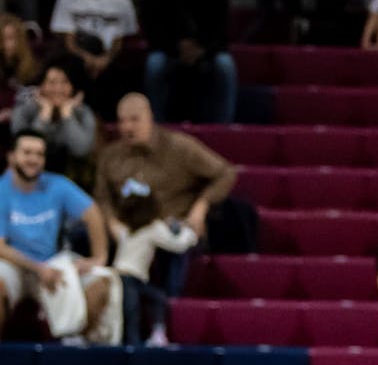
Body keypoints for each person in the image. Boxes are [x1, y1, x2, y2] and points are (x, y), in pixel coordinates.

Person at [95, 93, 237, 295]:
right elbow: (102, 196)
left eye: (134, 120)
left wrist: (201, 206)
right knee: (84, 235)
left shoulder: (180, 147)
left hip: (170, 226)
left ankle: (173, 304)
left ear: (150, 117)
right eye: (122, 121)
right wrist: (111, 222)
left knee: (177, 246)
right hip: (127, 229)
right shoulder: (110, 156)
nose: (127, 128)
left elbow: (225, 173)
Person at [0, 131, 110, 339]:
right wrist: (39, 269)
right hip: (13, 264)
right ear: (12, 156)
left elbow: (93, 213)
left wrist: (100, 257)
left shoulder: (57, 184)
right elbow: (1, 247)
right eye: (27, 152)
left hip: (52, 261)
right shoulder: (1, 190)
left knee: (100, 282)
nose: (33, 159)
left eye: (39, 154)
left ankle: (74, 348)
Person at [141, 0, 238, 124]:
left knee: (225, 64)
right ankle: (155, 123)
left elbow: (220, 30)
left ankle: (224, 124)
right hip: (168, 50)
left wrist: (201, 48)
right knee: (154, 64)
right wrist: (176, 47)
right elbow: (153, 31)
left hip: (206, 50)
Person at [50, 0, 138, 117]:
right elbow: (69, 42)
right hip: (78, 56)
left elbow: (119, 40)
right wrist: (88, 59)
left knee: (125, 73)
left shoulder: (121, 1)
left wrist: (105, 59)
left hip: (110, 58)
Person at [109, 191, 197, 346]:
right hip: (128, 278)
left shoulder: (129, 229)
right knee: (131, 314)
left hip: (126, 277)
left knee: (157, 298)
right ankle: (133, 347)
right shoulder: (152, 228)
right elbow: (177, 244)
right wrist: (190, 233)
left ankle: (157, 334)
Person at [9, 60, 98, 187]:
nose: (58, 89)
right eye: (51, 82)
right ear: (41, 86)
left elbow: (80, 150)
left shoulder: (83, 113)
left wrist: (67, 115)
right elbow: (27, 148)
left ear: (73, 87)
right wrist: (45, 114)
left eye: (64, 82)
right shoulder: (24, 111)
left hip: (72, 182)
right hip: (28, 179)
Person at [0, 14, 41, 126]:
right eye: (2, 39)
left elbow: (36, 94)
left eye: (11, 38)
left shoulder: (32, 63)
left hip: (24, 118)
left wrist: (14, 112)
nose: (6, 44)